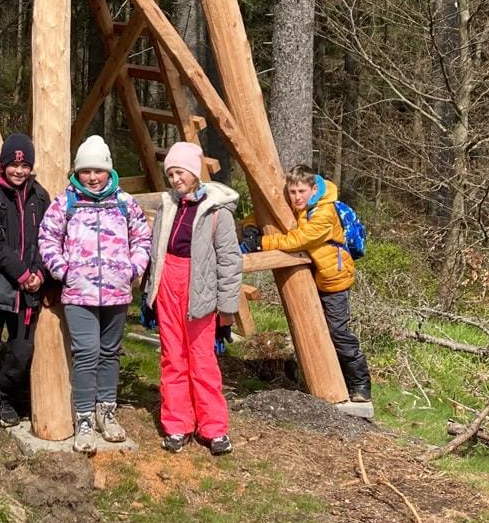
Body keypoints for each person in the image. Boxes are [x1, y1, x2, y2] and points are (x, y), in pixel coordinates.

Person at [38, 135, 151, 453]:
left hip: (117, 292)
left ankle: (107, 413)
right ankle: (85, 418)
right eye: (85, 171)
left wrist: (133, 268)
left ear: (108, 171)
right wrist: (63, 271)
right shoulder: (65, 202)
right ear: (77, 172)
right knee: (87, 353)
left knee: (110, 353)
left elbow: (143, 237)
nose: (92, 177)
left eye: (98, 171)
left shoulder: (125, 202)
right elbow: (47, 238)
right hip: (79, 294)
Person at [242, 164, 372, 403]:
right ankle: (327, 378)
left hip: (334, 279)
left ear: (314, 189)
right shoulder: (298, 205)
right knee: (315, 328)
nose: (296, 197)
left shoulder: (324, 212)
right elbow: (262, 212)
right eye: (292, 192)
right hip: (314, 274)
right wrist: (250, 228)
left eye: (301, 191)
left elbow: (300, 239)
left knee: (337, 332)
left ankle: (360, 383)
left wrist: (260, 243)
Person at [143, 142, 238, 455]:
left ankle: (214, 428)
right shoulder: (167, 206)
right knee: (172, 357)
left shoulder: (216, 211)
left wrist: (227, 307)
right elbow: (156, 253)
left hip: (200, 291)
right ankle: (177, 424)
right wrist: (151, 292)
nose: (175, 179)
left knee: (202, 359)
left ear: (194, 172)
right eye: (171, 173)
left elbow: (229, 260)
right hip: (167, 286)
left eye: (180, 172)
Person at [0, 133, 51, 444]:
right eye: (14, 165)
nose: (19, 170)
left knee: (21, 352)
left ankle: (4, 396)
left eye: (25, 165)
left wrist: (39, 272)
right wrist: (21, 272)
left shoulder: (40, 196)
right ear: (4, 165)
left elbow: (50, 238)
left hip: (27, 289)